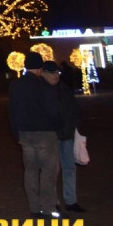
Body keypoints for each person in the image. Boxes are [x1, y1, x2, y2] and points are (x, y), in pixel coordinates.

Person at [8, 51, 63, 218]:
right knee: (48, 171)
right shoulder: (42, 85)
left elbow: (12, 111)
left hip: (25, 133)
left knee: (30, 171)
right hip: (45, 133)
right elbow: (52, 109)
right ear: (40, 68)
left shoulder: (16, 86)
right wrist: (57, 127)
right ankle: (48, 207)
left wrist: (16, 133)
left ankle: (34, 207)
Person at [43, 62, 84, 213]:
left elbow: (74, 108)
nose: (55, 76)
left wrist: (75, 123)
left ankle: (71, 200)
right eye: (52, 73)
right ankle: (53, 201)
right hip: (51, 136)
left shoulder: (64, 90)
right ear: (44, 74)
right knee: (52, 170)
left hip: (67, 134)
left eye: (57, 73)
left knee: (69, 168)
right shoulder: (42, 91)